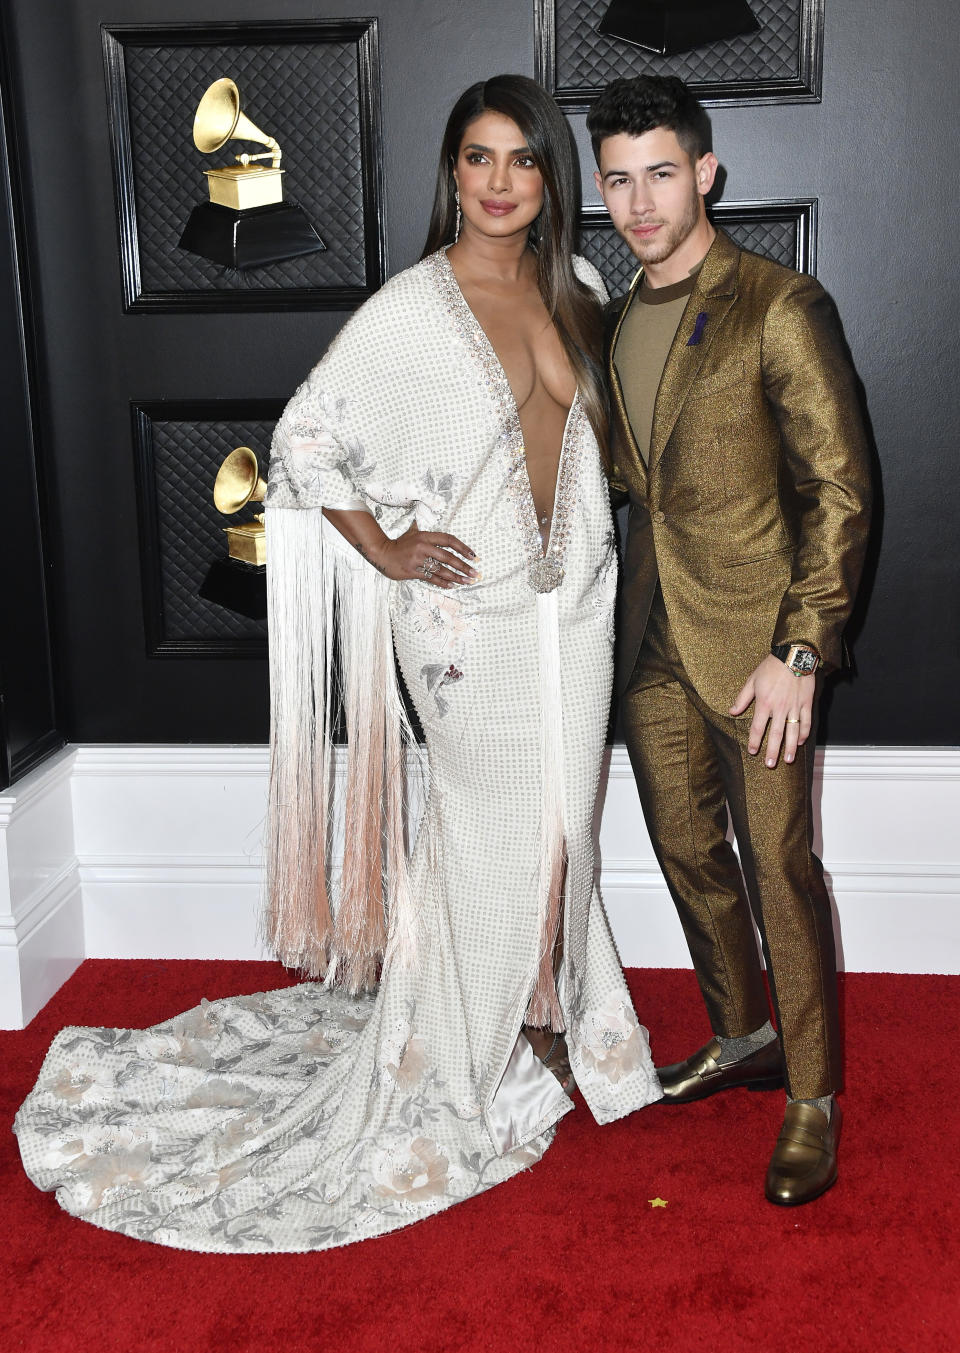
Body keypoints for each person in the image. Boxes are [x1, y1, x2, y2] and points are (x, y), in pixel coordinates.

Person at [13, 75, 660, 1253]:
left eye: (521, 160)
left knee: (567, 822)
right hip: (464, 626)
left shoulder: (581, 291)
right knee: (485, 829)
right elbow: (304, 440)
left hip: (574, 610)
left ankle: (542, 1007)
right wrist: (391, 547)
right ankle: (449, 1056)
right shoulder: (413, 309)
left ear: (548, 178)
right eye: (477, 158)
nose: (500, 181)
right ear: (451, 173)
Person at [586, 75, 871, 1205]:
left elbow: (841, 489)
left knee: (780, 871)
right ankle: (740, 1032)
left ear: (706, 173)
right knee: (683, 847)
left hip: (761, 650)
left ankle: (812, 1096)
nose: (640, 201)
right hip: (653, 633)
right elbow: (632, 484)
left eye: (663, 172)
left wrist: (801, 651)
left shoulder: (778, 303)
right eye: (619, 177)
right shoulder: (613, 321)